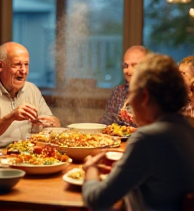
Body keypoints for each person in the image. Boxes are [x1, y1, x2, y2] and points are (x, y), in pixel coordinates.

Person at [82, 53, 194, 211]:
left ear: (145, 97)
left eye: (132, 94)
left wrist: (92, 167)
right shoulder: (187, 130)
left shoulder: (146, 139)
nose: (129, 102)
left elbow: (97, 200)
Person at [0, 42, 60, 148]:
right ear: (0, 65)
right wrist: (11, 117)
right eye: (17, 65)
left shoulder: (32, 89)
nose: (24, 71)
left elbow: (55, 122)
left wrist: (51, 122)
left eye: (26, 64)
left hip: (27, 154)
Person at [99, 45, 148, 127]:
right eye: (125, 66)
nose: (128, 71)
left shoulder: (154, 94)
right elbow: (107, 120)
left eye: (134, 65)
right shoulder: (119, 91)